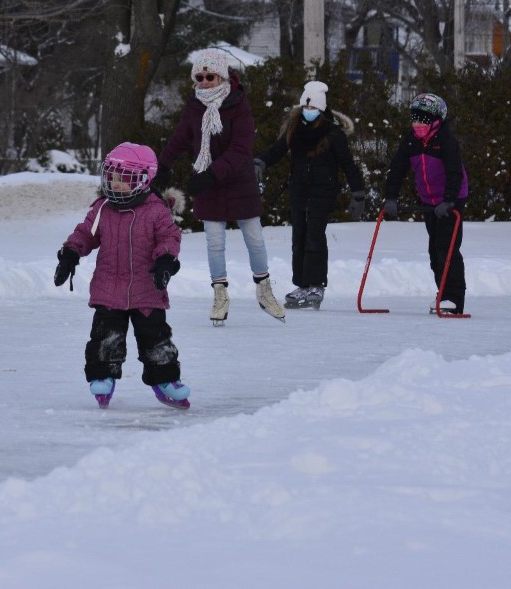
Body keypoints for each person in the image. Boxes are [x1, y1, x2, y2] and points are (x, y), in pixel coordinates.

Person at [154, 48, 285, 325]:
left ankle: (264, 289)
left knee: (255, 238)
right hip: (209, 184)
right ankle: (220, 294)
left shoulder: (239, 104)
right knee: (214, 242)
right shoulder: (194, 106)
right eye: (199, 77)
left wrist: (211, 174)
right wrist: (163, 165)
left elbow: (241, 149)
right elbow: (180, 138)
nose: (204, 81)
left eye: (209, 76)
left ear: (222, 76)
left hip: (238, 181)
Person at [54, 142, 190, 409]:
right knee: (105, 337)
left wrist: (165, 260)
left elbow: (169, 237)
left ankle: (165, 380)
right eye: (111, 178)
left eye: (123, 179)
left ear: (142, 180)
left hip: (147, 290)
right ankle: (102, 375)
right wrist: (70, 253)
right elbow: (84, 233)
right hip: (108, 290)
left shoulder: (155, 210)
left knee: (156, 340)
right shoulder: (102, 208)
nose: (115, 184)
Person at [255, 80, 366, 309]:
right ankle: (302, 284)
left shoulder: (333, 134)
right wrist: (261, 162)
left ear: (322, 109)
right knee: (299, 238)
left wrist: (358, 193)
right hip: (299, 190)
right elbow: (278, 150)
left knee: (314, 236)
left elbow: (348, 164)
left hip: (322, 191)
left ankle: (316, 284)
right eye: (305, 108)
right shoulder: (294, 130)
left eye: (313, 108)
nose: (308, 112)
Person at [382, 92, 469, 314]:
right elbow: (397, 170)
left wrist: (449, 200)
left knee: (446, 249)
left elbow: (454, 173)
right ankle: (442, 293)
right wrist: (390, 197)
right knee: (434, 252)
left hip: (451, 201)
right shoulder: (410, 140)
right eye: (415, 118)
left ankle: (453, 298)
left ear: (437, 120)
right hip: (429, 202)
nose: (418, 123)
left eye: (423, 119)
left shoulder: (446, 142)